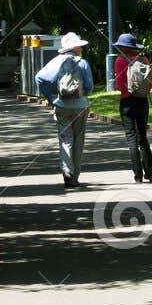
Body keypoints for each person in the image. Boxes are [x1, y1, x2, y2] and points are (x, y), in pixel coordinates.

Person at [36, 32, 94, 188]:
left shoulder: (56, 62)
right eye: (80, 46)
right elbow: (89, 87)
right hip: (81, 106)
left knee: (65, 140)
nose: (82, 48)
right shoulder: (83, 63)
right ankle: (75, 177)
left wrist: (51, 98)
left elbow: (39, 78)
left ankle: (67, 171)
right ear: (74, 47)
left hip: (61, 106)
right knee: (78, 141)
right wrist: (82, 94)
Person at [113, 32, 152, 184]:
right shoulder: (144, 59)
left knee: (132, 140)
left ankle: (137, 176)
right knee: (143, 138)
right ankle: (150, 174)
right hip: (143, 101)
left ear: (122, 48)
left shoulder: (120, 61)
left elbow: (118, 86)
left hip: (127, 102)